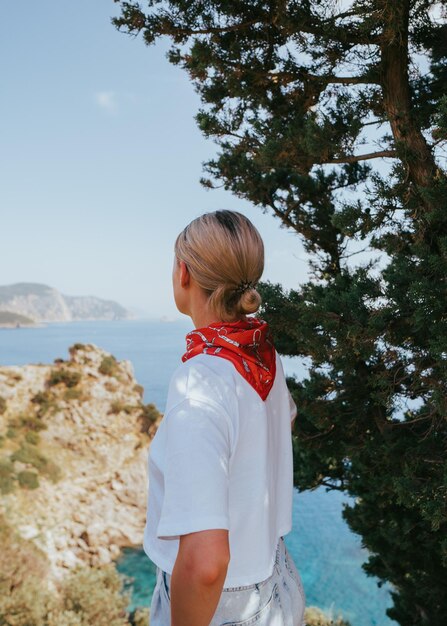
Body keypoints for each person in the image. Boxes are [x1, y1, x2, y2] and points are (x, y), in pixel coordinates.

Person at [143, 210, 306, 626]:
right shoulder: (261, 353)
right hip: (273, 579)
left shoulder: (200, 380)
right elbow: (283, 421)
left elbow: (206, 564)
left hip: (221, 607)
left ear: (183, 273)